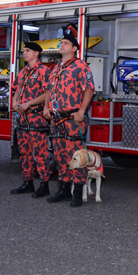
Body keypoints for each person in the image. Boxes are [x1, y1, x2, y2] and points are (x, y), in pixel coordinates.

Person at [43, 24, 95, 207]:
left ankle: (78, 192)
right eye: (61, 42)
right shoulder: (56, 68)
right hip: (57, 119)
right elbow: (49, 89)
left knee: (76, 156)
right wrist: (46, 107)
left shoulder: (81, 66)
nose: (62, 45)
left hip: (73, 119)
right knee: (60, 155)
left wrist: (81, 112)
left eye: (66, 43)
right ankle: (64, 190)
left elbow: (89, 89)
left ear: (74, 48)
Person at [10, 42, 51, 197]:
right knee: (25, 152)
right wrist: (15, 101)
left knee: (40, 153)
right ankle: (27, 182)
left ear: (36, 53)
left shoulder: (44, 71)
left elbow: (48, 93)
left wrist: (28, 103)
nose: (24, 53)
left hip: (36, 117)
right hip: (23, 119)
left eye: (27, 50)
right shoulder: (23, 72)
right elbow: (17, 89)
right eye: (24, 50)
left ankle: (44, 184)